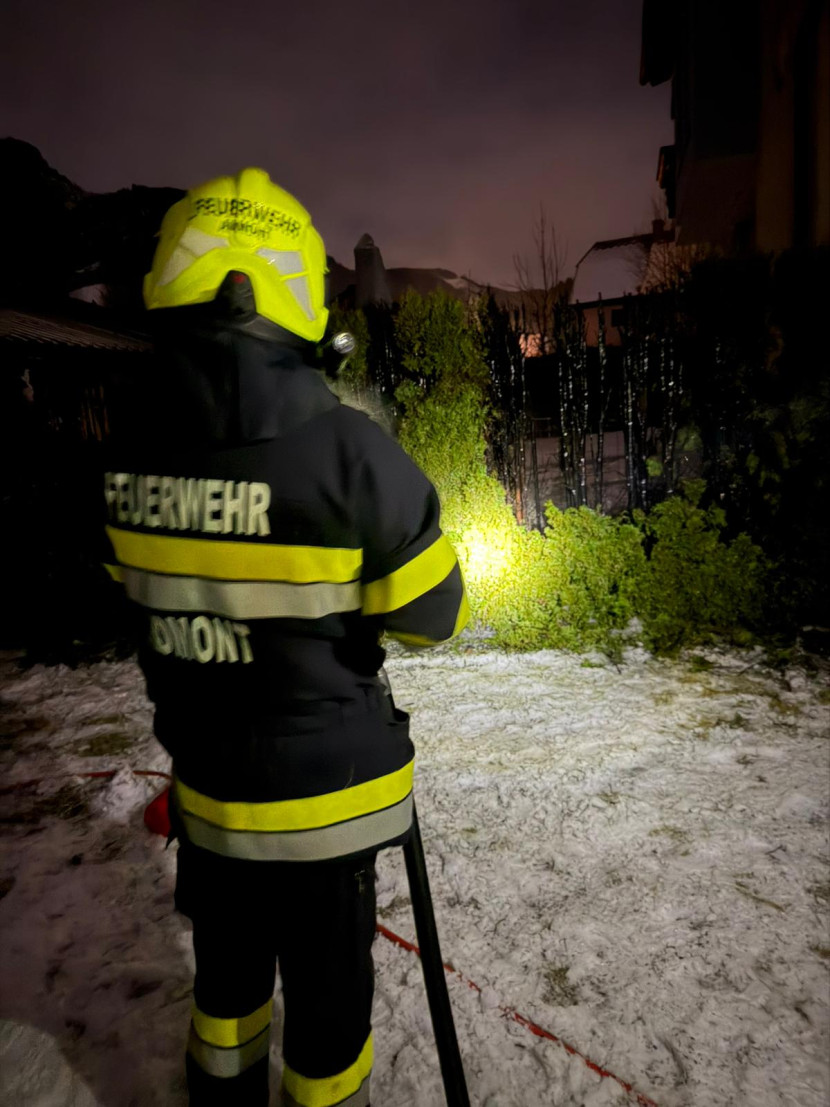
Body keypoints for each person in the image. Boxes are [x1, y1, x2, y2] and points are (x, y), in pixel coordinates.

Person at [101, 167, 468, 1107]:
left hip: (212, 801)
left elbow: (129, 593)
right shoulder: (352, 452)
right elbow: (435, 615)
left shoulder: (122, 461)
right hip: (328, 811)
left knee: (225, 1001)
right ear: (298, 298)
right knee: (328, 1022)